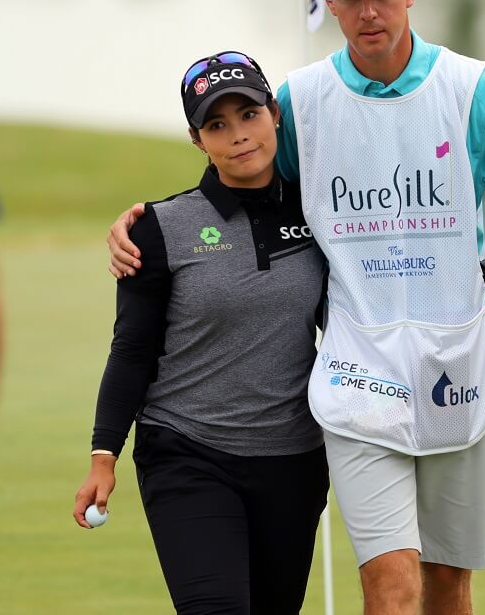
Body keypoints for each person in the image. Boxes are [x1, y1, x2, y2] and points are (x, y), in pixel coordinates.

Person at [108, 0, 485, 615]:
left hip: (461, 360)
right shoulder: (300, 102)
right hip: (356, 370)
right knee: (390, 579)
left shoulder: (471, 90)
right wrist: (149, 223)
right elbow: (237, 183)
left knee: (447, 582)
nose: (367, 11)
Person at [74, 51, 329, 615]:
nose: (238, 136)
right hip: (187, 452)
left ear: (275, 116)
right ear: (197, 140)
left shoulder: (322, 211)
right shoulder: (161, 229)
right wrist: (104, 454)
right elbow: (132, 348)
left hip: (293, 459)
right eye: (217, 124)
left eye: (249, 115)